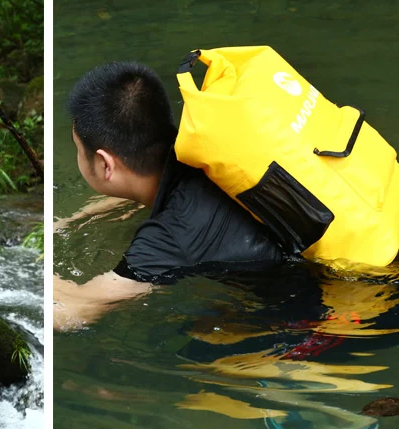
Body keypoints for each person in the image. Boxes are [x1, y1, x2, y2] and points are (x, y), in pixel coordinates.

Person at [53, 61, 286, 330]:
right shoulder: (203, 152)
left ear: (105, 164)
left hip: (311, 311)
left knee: (198, 344)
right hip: (301, 243)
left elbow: (72, 314)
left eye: (79, 149)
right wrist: (72, 220)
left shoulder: (168, 238)